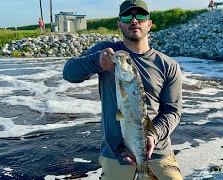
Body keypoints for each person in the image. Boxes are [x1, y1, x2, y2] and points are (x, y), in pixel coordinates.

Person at [63, 0, 183, 179]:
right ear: (119, 23)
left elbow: (172, 112)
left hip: (157, 152)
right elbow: (69, 73)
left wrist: (152, 135)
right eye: (127, 16)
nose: (134, 21)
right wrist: (97, 61)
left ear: (149, 24)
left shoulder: (168, 65)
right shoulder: (107, 53)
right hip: (115, 154)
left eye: (141, 16)